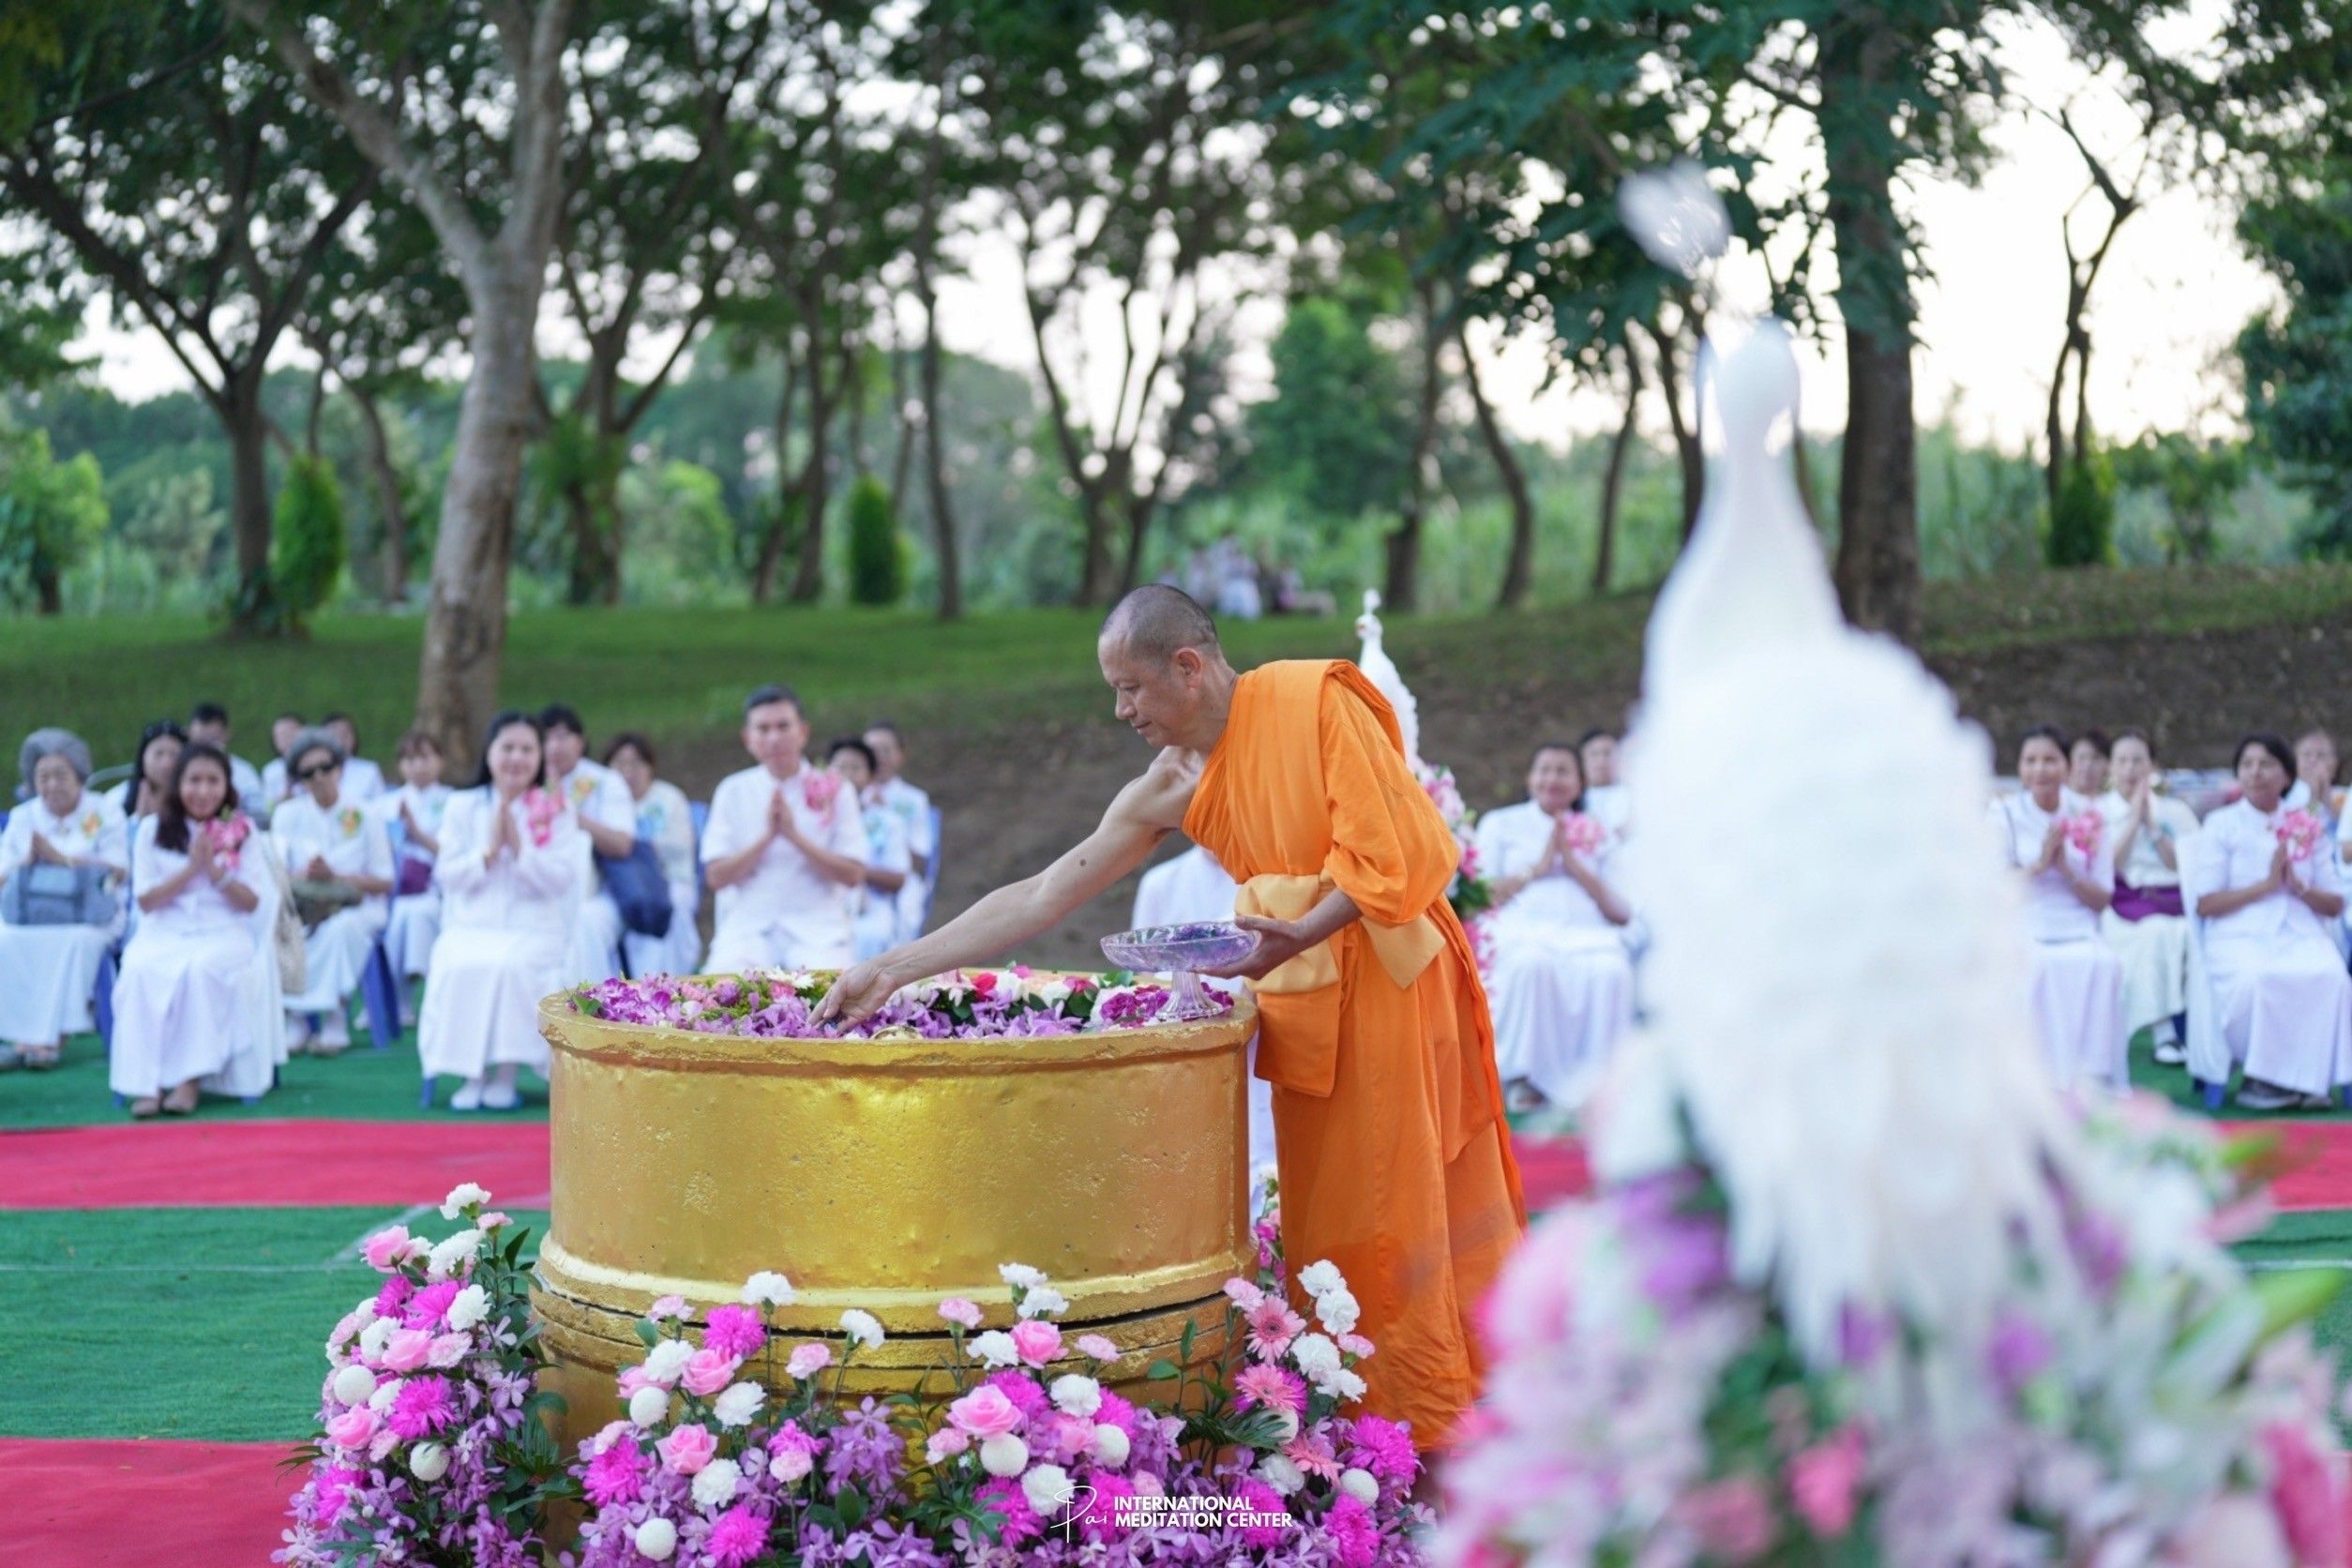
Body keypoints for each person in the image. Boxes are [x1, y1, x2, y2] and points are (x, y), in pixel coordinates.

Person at [819, 586, 1527, 1454]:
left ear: (1187, 666)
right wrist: (890, 970)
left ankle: (1420, 1421)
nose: (1122, 712)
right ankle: (1355, 1425)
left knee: (1396, 1204)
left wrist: (1304, 928)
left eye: (1131, 689)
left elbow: (1406, 852)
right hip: (1300, 990)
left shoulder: (1313, 703)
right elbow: (1046, 893)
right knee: (1330, 1215)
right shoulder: (1166, 784)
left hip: (1387, 983)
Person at [417, 712, 584, 1111]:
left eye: (527, 749)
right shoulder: (463, 805)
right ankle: (471, 1074)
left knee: (511, 966)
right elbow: (447, 874)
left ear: (540, 757)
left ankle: (505, 1074)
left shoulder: (556, 809)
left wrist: (522, 850)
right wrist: (489, 852)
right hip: (472, 924)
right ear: (489, 754)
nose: (517, 758)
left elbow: (562, 879)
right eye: (507, 748)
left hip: (534, 926)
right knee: (461, 963)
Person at [1473, 742, 1636, 1114]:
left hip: (1588, 934)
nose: (1552, 778)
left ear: (1579, 784)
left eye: (1563, 771)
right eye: (1544, 769)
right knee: (1532, 965)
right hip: (1523, 929)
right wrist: (1539, 866)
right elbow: (1481, 894)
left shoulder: (1598, 833)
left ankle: (1599, 1087)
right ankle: (1524, 1080)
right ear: (1531, 778)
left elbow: (1622, 912)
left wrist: (1576, 867)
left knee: (1611, 972)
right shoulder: (1501, 823)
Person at [2193, 732, 2352, 1110]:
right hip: (2237, 931)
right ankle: (2263, 1080)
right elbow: (2206, 903)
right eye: (2247, 765)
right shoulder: (2221, 824)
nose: (2256, 773)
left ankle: (2310, 1082)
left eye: (2266, 764)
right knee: (2258, 979)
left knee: (2330, 976)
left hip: (2299, 928)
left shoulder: (2306, 825)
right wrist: (2265, 886)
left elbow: (2333, 904)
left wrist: (2299, 888)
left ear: (2287, 776)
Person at [110, 744, 263, 1116]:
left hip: (224, 932)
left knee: (200, 972)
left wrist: (215, 871)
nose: (203, 790)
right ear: (179, 785)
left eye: (214, 781)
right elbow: (146, 901)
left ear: (227, 787)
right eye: (194, 780)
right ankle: (144, 1085)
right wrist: (191, 868)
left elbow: (251, 902)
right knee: (139, 970)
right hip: (164, 930)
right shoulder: (151, 829)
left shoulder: (242, 830)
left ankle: (188, 1080)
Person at [1991, 726, 2125, 1093]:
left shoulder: (2089, 816)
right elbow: (1994, 889)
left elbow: (2103, 898)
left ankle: (2091, 1078)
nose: (2040, 770)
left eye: (2050, 760)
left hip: (2078, 921)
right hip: (2026, 919)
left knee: (2103, 964)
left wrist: (2065, 868)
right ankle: (2037, 1077)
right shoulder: (2003, 814)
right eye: (2030, 761)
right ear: (2019, 768)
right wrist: (2039, 865)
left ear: (2066, 767)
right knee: (2038, 966)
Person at [702, 686, 867, 972]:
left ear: (803, 731)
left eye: (783, 726)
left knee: (831, 997)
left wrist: (794, 836)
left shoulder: (837, 789)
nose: (774, 738)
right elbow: (716, 877)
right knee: (724, 991)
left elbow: (853, 874)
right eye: (763, 729)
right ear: (748, 738)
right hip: (749, 928)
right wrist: (767, 837)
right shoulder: (733, 790)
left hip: (818, 930)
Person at [0, 730, 128, 1069]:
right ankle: (20, 1035)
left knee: (75, 942)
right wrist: (24, 862)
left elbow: (120, 870)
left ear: (79, 776)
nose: (52, 785)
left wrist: (66, 861)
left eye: (61, 776)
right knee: (6, 939)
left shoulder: (102, 811)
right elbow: (2, 871)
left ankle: (53, 1037)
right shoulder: (24, 816)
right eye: (43, 777)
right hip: (33, 914)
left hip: (90, 916)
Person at [271, 729, 394, 1055]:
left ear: (340, 768)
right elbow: (276, 875)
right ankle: (296, 1019)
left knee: (339, 930)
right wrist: (307, 876)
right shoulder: (287, 814)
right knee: (283, 928)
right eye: (308, 772)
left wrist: (336, 877)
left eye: (326, 767)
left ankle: (334, 1019)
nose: (319, 777)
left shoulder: (366, 813)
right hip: (303, 908)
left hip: (358, 906)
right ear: (299, 779)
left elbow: (385, 880)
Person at [2097, 730, 2200, 1066]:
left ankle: (2193, 1035)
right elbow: (2107, 866)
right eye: (2122, 761)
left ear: (2152, 766)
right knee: (2155, 935)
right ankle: (2163, 1033)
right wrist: (2132, 821)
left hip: (2174, 899)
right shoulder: (2097, 812)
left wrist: (2153, 825)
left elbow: (2186, 865)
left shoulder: (2176, 811)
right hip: (2122, 906)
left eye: (2138, 760)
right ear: (2110, 768)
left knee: (2185, 935)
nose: (2130, 769)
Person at [542, 704, 637, 982]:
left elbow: (622, 844)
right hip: (544, 890)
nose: (554, 746)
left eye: (562, 736)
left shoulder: (605, 782)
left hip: (600, 892)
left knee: (585, 923)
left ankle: (592, 1012)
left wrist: (569, 814)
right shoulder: (530, 784)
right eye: (546, 737)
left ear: (581, 741)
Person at [605, 732, 702, 978]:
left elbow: (680, 847)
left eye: (636, 763)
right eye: (620, 763)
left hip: (669, 879)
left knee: (666, 908)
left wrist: (638, 849)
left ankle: (664, 981)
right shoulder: (605, 802)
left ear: (650, 767)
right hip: (618, 886)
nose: (628, 771)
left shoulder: (669, 798)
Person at [374, 730, 454, 991]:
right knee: (399, 916)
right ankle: (397, 998)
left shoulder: (453, 801)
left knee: (418, 912)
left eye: (425, 758)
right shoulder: (386, 803)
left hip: (437, 886)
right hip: (394, 888)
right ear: (400, 765)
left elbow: (452, 851)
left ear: (440, 761)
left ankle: (417, 986)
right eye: (410, 759)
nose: (418, 766)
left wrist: (416, 833)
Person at [827, 737, 912, 961]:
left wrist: (853, 869)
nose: (846, 774)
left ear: (871, 776)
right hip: (824, 904)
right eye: (840, 766)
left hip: (872, 910)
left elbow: (898, 879)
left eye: (855, 767)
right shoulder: (815, 821)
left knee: (869, 937)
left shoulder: (887, 822)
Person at [864, 721, 936, 938]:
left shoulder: (914, 800)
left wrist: (887, 817)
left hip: (899, 879)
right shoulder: (850, 795)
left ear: (900, 754)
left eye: (886, 750)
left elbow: (920, 857)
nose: (879, 757)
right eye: (872, 751)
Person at [108, 720, 187, 822]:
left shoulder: (194, 799)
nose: (166, 764)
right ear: (143, 757)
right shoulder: (116, 797)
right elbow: (87, 835)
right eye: (158, 754)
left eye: (174, 755)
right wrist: (137, 819)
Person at [187, 702, 264, 803]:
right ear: (189, 735)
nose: (206, 750)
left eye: (212, 742)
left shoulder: (243, 772)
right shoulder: (179, 770)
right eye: (200, 742)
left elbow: (261, 809)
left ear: (226, 734)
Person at [321, 714, 386, 803]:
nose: (340, 739)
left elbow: (380, 805)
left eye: (345, 734)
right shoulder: (313, 771)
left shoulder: (369, 770)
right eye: (334, 734)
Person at [2292, 728, 2344, 836]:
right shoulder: (2288, 796)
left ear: (2334, 763)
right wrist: (2314, 798)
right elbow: (2297, 832)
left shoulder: (2345, 795)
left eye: (2321, 755)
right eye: (2306, 755)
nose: (2313, 760)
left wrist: (2326, 797)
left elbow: (2347, 825)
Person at [1576, 727, 1630, 834]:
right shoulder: (1574, 801)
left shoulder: (1636, 796)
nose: (1601, 760)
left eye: (1607, 753)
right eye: (1594, 754)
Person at [260, 712, 306, 810]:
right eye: (280, 735)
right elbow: (268, 810)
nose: (285, 739)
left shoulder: (317, 763)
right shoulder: (271, 771)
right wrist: (286, 795)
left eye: (290, 733)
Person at [2068, 728, 2112, 803]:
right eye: (2082, 757)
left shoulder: (2114, 805)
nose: (2088, 765)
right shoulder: (2056, 801)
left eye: (2095, 758)